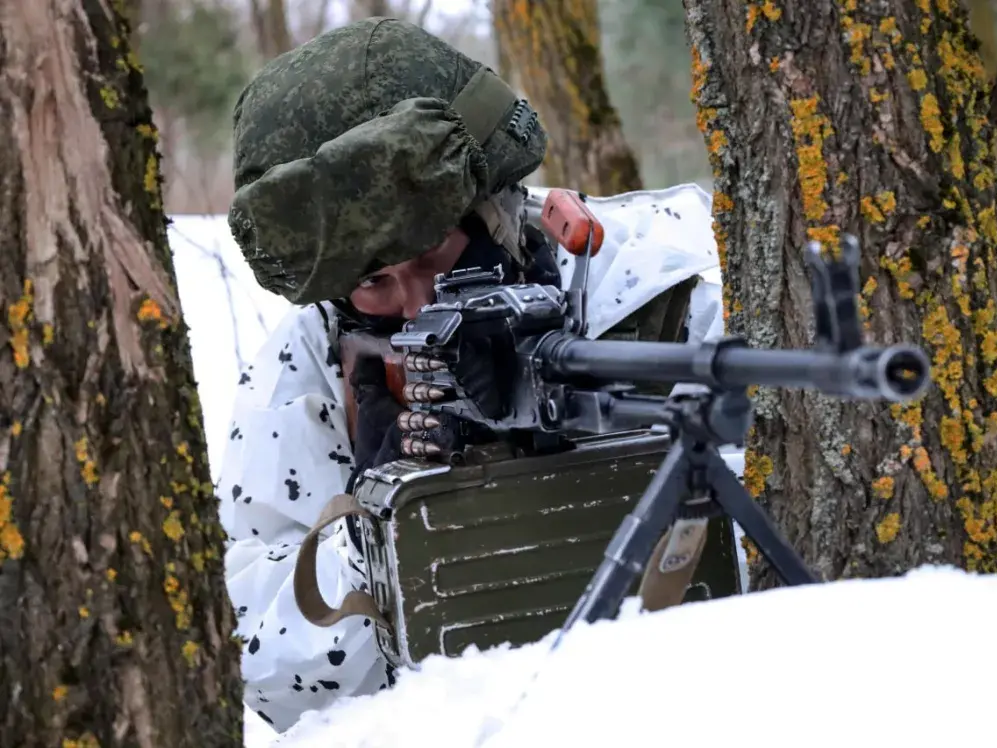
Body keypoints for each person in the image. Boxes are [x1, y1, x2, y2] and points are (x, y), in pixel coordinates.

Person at [217, 16, 726, 734]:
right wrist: (376, 532)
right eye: (375, 283)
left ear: (492, 208)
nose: (419, 304)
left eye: (435, 256)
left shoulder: (647, 283)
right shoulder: (312, 362)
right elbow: (264, 667)